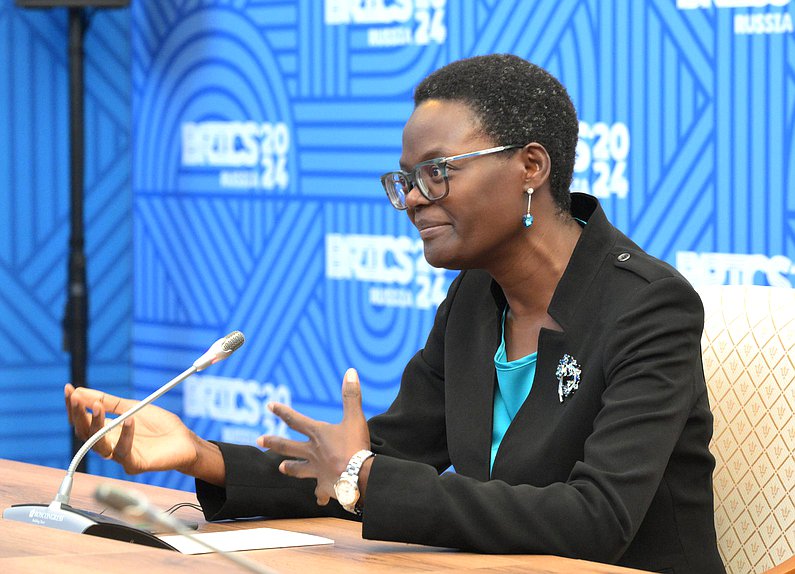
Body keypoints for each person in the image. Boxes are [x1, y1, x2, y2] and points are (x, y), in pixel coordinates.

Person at [66, 54, 725, 574]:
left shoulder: (648, 307)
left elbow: (598, 520)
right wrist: (201, 456)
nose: (411, 200)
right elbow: (373, 463)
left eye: (436, 173)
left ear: (530, 166)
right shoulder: (474, 298)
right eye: (404, 179)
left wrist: (365, 477)